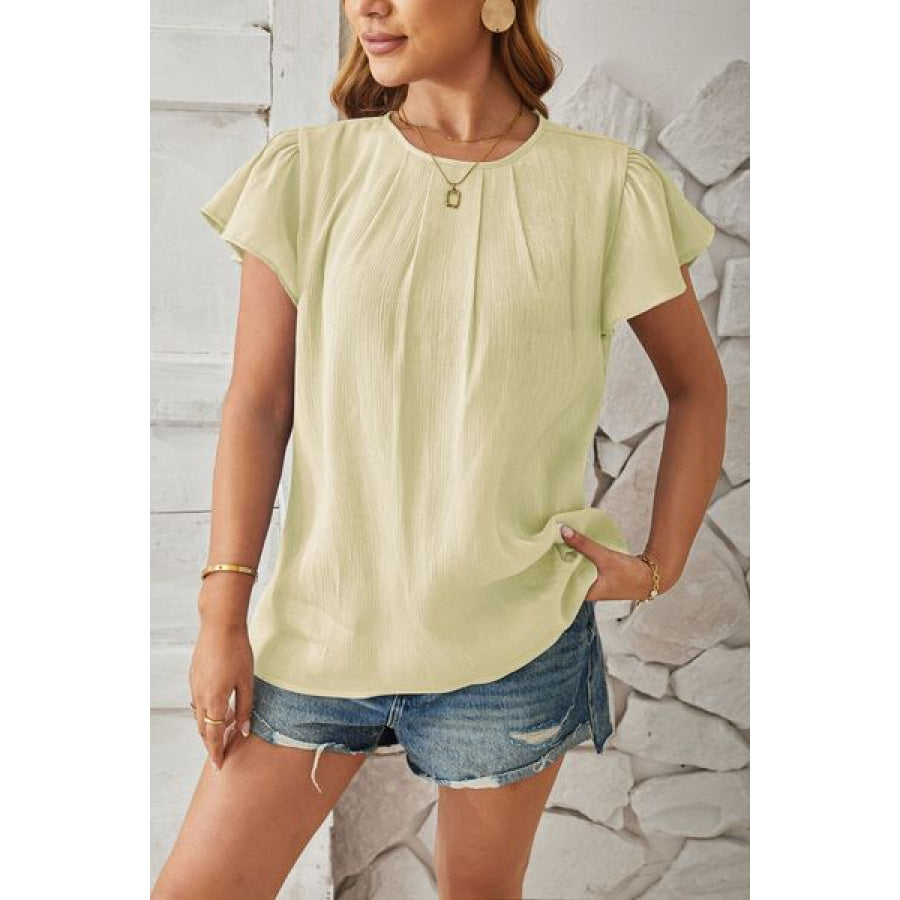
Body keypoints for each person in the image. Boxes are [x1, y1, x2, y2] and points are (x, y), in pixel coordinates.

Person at [152, 1, 727, 897]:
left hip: (514, 645)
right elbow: (260, 406)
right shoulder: (308, 173)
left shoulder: (608, 189)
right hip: (319, 634)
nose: (366, 7)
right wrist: (221, 618)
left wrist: (661, 565)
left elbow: (697, 387)